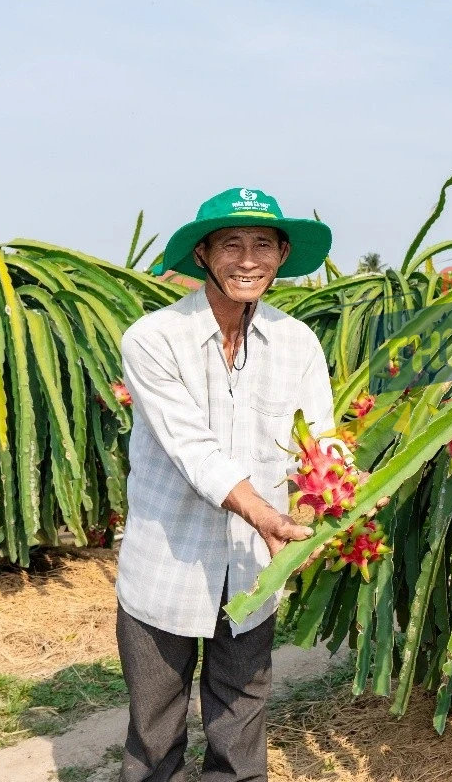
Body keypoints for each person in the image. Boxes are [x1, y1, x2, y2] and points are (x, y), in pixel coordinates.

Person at [115, 187, 337, 782]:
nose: (248, 259)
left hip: (252, 567)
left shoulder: (298, 343)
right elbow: (193, 450)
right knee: (155, 727)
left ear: (283, 254)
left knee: (242, 719)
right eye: (231, 244)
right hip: (169, 562)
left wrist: (347, 484)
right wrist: (269, 517)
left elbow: (321, 437)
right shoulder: (152, 339)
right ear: (204, 256)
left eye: (263, 243)